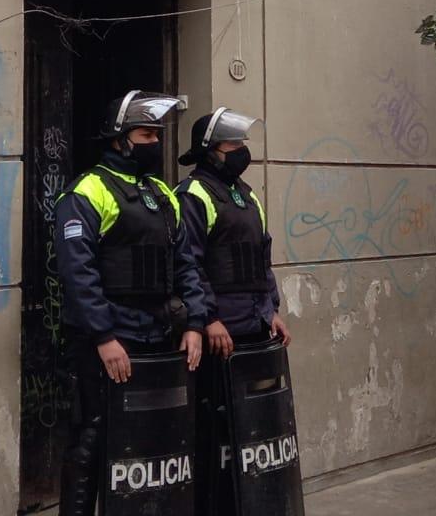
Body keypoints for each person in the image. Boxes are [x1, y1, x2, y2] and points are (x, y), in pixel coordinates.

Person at [53, 91, 210, 516]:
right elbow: (78, 274)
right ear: (119, 139)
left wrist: (194, 322)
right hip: (106, 344)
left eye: (158, 134)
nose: (154, 142)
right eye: (146, 134)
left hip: (157, 336)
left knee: (155, 439)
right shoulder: (88, 191)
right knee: (93, 438)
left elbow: (186, 265)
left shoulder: (162, 193)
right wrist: (104, 336)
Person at [176, 107, 290, 352]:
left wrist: (272, 311)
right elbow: (189, 263)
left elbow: (262, 260)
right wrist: (209, 318)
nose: (241, 150)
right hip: (220, 330)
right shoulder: (193, 194)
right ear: (210, 154)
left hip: (257, 324)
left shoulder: (246, 195)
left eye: (241, 143)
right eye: (233, 144)